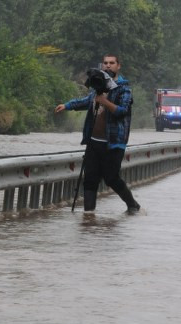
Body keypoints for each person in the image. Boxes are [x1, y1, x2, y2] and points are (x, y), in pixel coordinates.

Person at [54, 54, 140, 213]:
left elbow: (122, 111)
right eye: (105, 63)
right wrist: (66, 105)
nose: (108, 66)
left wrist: (105, 102)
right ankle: (89, 217)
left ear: (118, 66)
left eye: (112, 63)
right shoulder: (98, 87)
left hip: (113, 143)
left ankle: (132, 205)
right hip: (94, 142)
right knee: (90, 180)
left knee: (111, 178)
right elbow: (86, 102)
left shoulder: (124, 89)